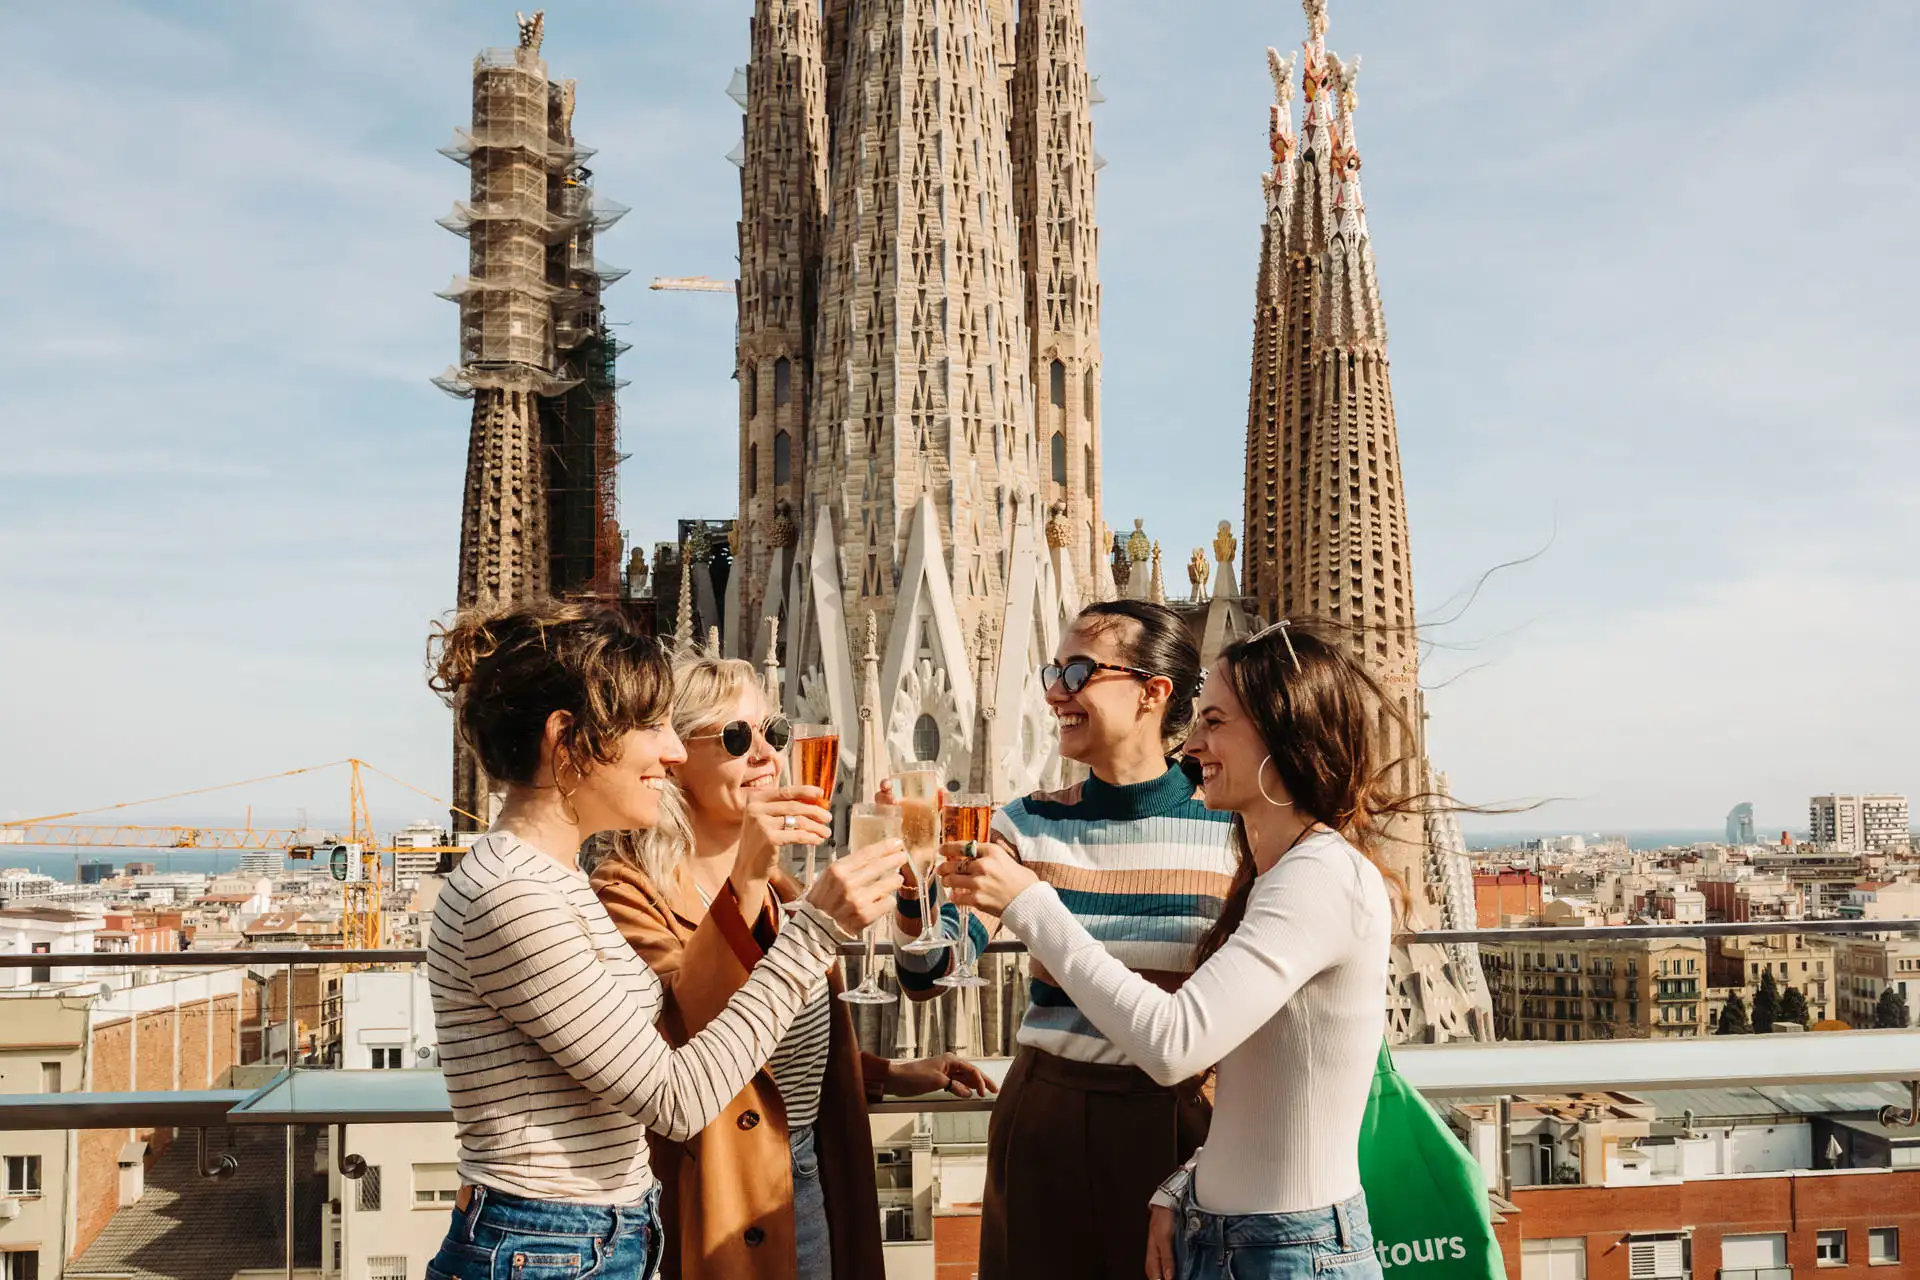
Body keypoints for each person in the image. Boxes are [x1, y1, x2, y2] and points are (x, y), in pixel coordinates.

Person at [421, 601, 907, 1280]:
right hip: (544, 1249)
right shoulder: (512, 895)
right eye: (651, 727)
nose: (672, 751)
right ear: (570, 740)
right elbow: (677, 1099)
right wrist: (816, 930)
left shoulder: (549, 878)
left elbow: (661, 1030)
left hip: (586, 1239)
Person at [941, 619, 1397, 1280]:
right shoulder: (1277, 872)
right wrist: (1186, 1185)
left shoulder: (1319, 877)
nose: (1195, 743)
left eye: (1214, 722)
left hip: (1287, 1251)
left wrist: (1032, 905)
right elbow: (1255, 1083)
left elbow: (1175, 1042)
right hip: (1233, 1233)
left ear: (1280, 730)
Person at [589, 654, 995, 1280]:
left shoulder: (784, 890)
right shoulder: (628, 891)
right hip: (725, 1194)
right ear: (675, 758)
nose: (765, 754)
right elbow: (684, 1039)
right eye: (734, 737)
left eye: (773, 733)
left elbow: (773, 1052)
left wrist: (890, 1072)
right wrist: (749, 870)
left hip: (810, 1174)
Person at [896, 599, 1236, 1280]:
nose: (1055, 691)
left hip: (1185, 1124)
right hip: (1048, 1118)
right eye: (1054, 670)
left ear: (1153, 692)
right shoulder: (1027, 823)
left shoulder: (1232, 826)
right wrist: (915, 894)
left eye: (1078, 671)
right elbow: (933, 970)